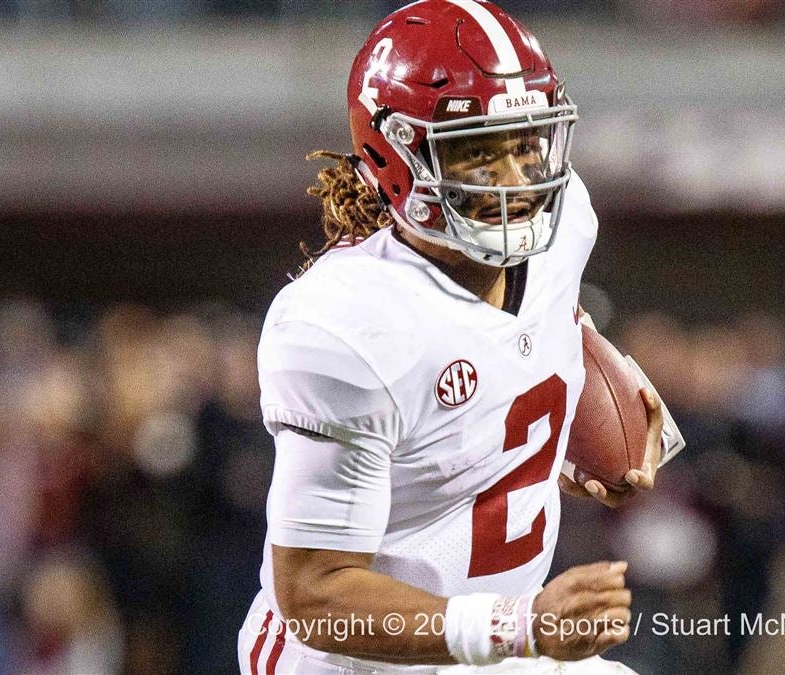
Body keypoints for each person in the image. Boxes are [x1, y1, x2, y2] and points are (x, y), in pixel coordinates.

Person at [237, 2, 677, 672]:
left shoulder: (565, 228)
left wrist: (583, 437)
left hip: (486, 642)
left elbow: (530, 341)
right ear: (394, 157)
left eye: (526, 143)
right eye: (477, 151)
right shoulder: (343, 324)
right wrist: (518, 624)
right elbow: (315, 592)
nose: (516, 182)